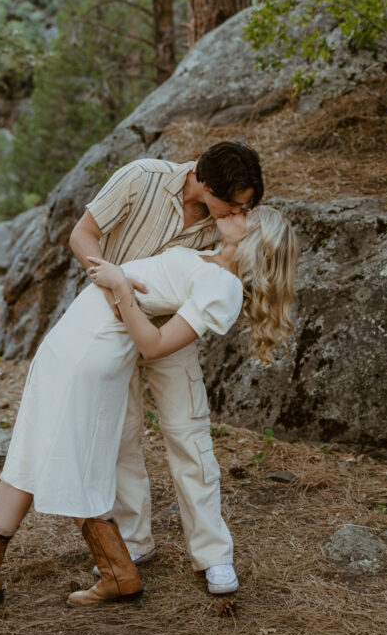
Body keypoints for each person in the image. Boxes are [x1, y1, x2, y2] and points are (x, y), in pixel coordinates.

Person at [0, 204, 298, 612]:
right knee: (33, 449)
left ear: (255, 238)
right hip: (76, 343)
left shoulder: (226, 286)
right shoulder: (203, 252)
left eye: (244, 213)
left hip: (90, 351)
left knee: (62, 458)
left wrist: (120, 284)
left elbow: (153, 345)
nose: (234, 211)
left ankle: (113, 571)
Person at [68, 142, 263, 595]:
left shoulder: (226, 224)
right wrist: (116, 286)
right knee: (120, 434)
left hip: (174, 332)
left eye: (246, 204)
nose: (240, 212)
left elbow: (227, 276)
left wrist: (234, 241)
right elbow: (82, 235)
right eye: (233, 202)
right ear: (204, 182)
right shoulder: (141, 178)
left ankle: (214, 555)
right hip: (112, 324)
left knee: (189, 435)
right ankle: (134, 543)